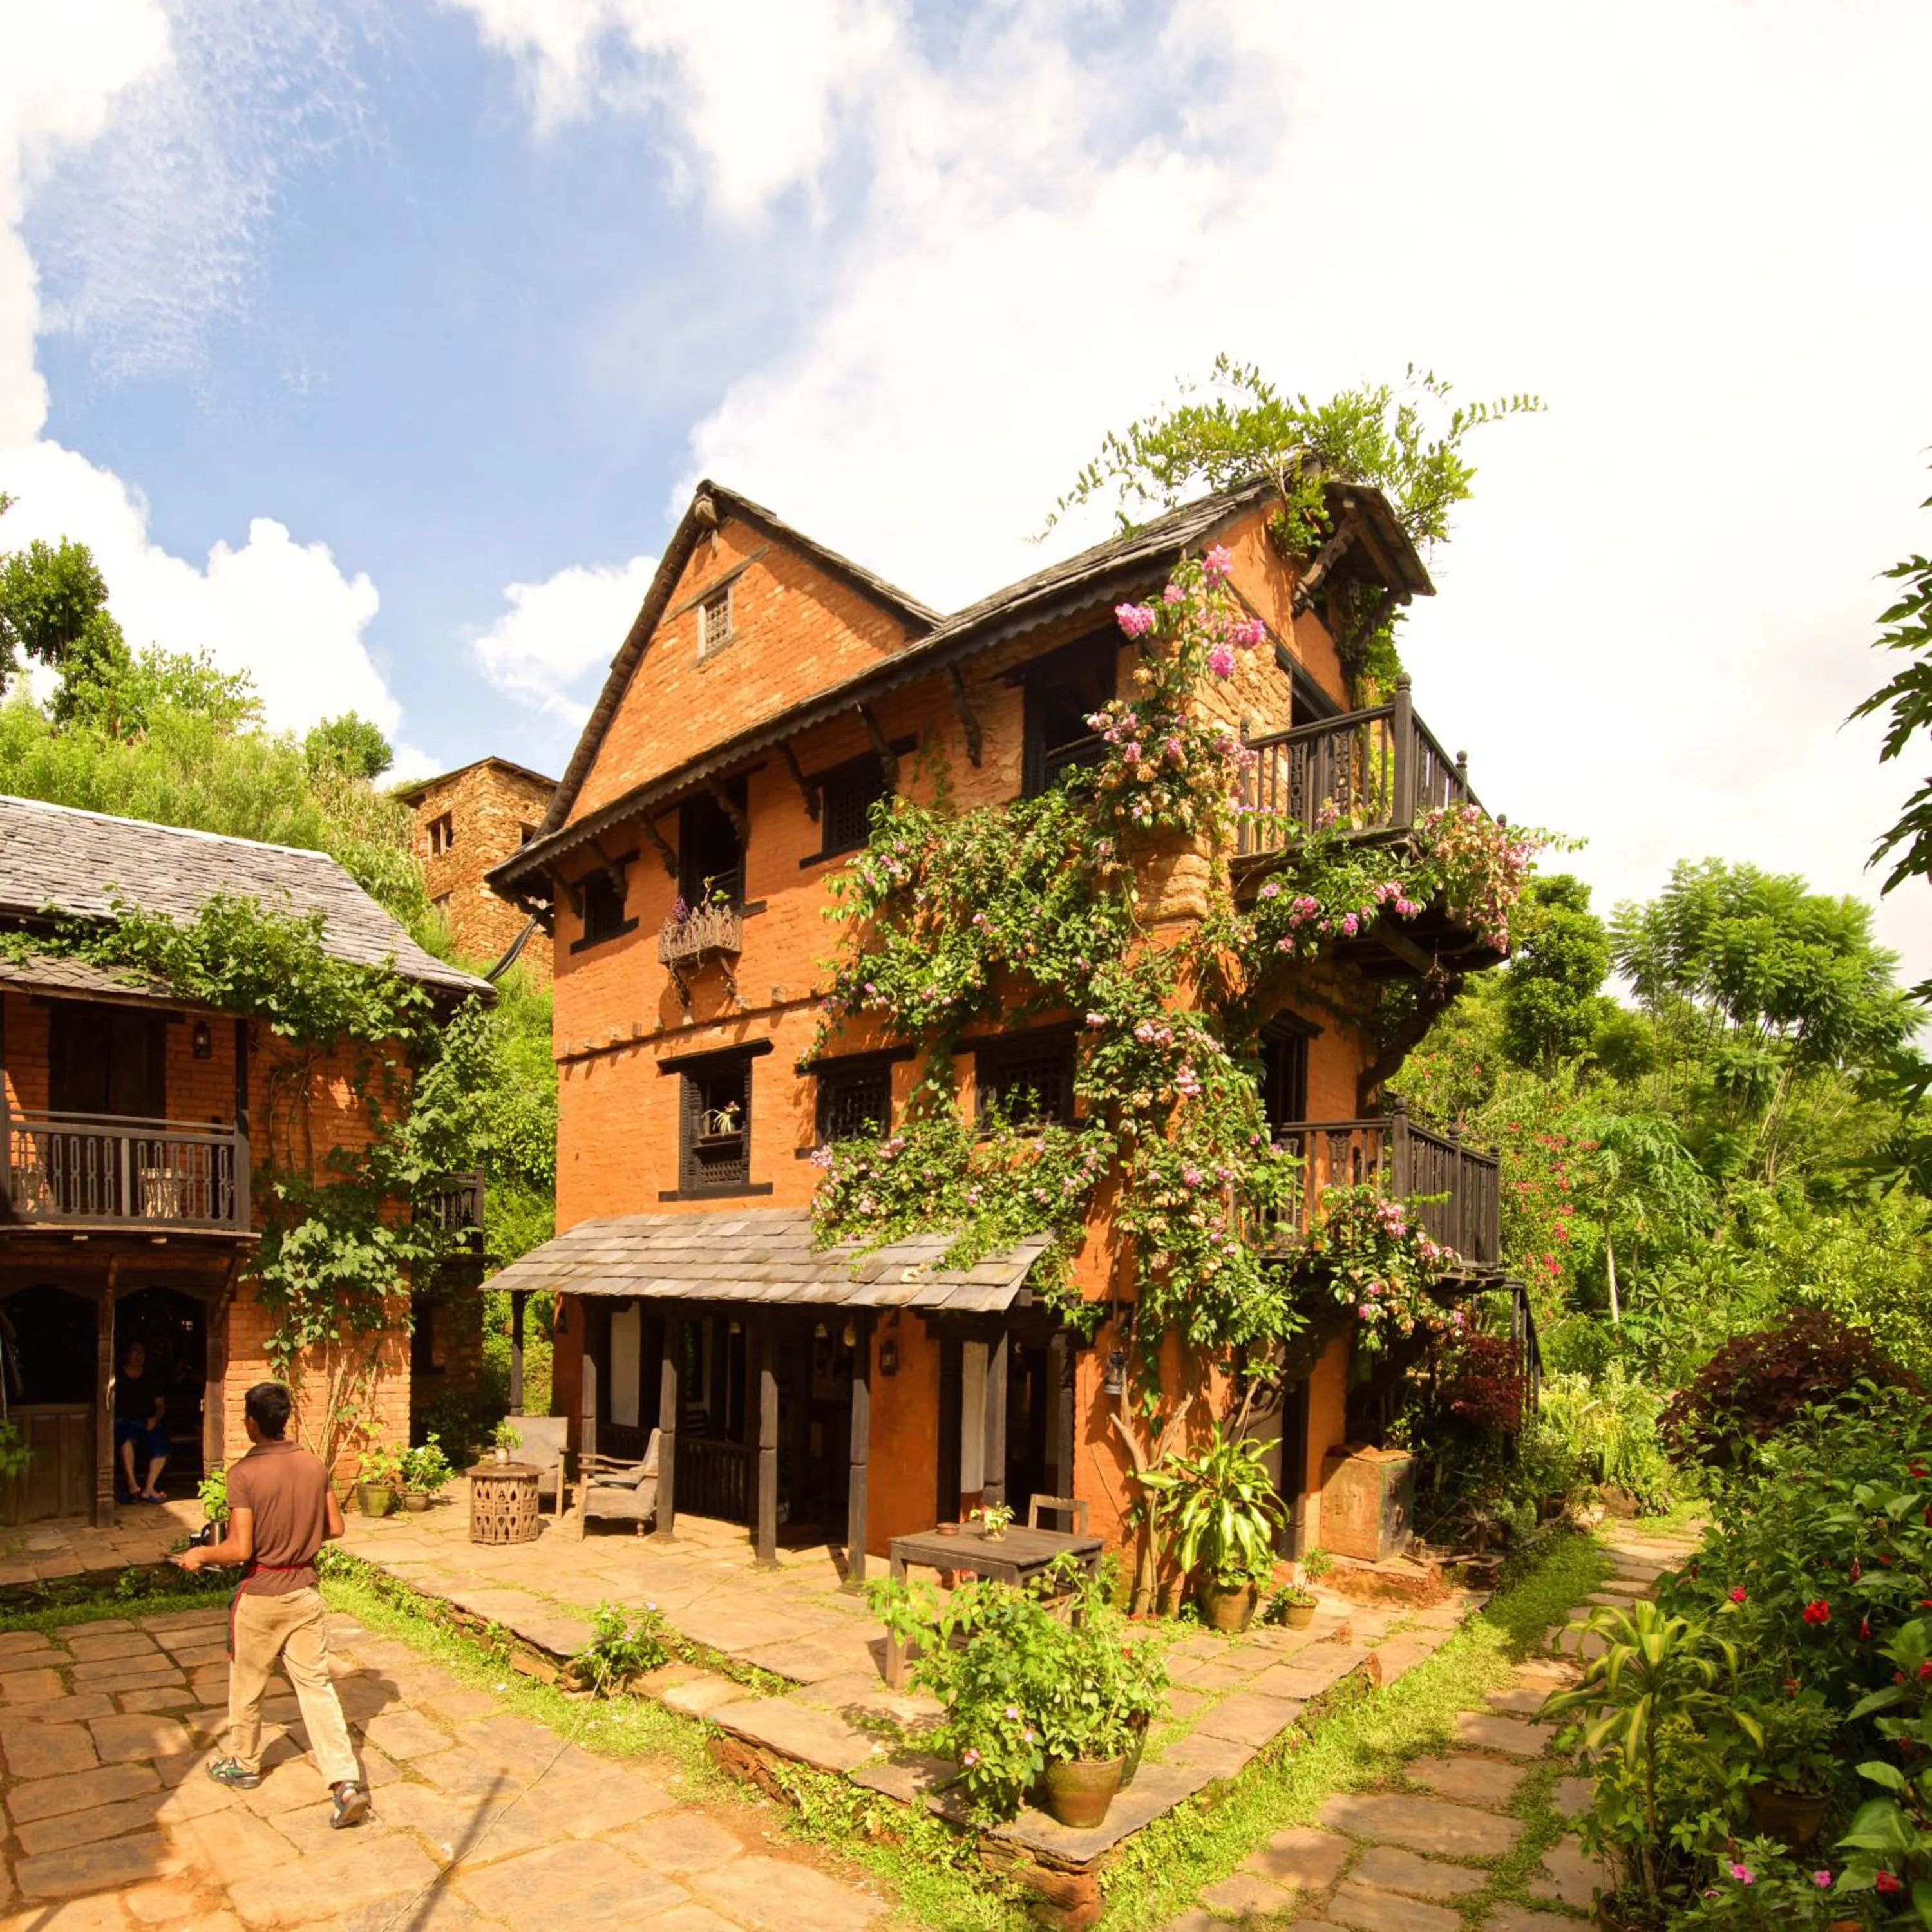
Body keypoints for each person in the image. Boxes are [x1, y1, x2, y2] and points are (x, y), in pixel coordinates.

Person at [172, 1381, 370, 1827]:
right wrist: (297, 1535)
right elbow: (335, 1527)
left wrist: (200, 1554)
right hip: (305, 1592)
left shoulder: (244, 1474)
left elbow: (241, 1549)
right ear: (286, 1421)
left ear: (251, 1423)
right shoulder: (313, 1465)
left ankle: (243, 1764)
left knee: (248, 1683)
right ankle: (344, 1784)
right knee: (316, 1687)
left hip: (262, 1595)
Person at [114, 1340, 171, 1504]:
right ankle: (132, 1485)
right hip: (123, 1421)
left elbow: (160, 1405)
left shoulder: (150, 1376)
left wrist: (155, 1418)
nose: (139, 1355)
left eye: (142, 1351)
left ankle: (149, 1488)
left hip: (146, 1422)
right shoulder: (117, 1375)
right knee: (126, 1440)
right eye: (135, 1350)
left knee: (161, 1444)